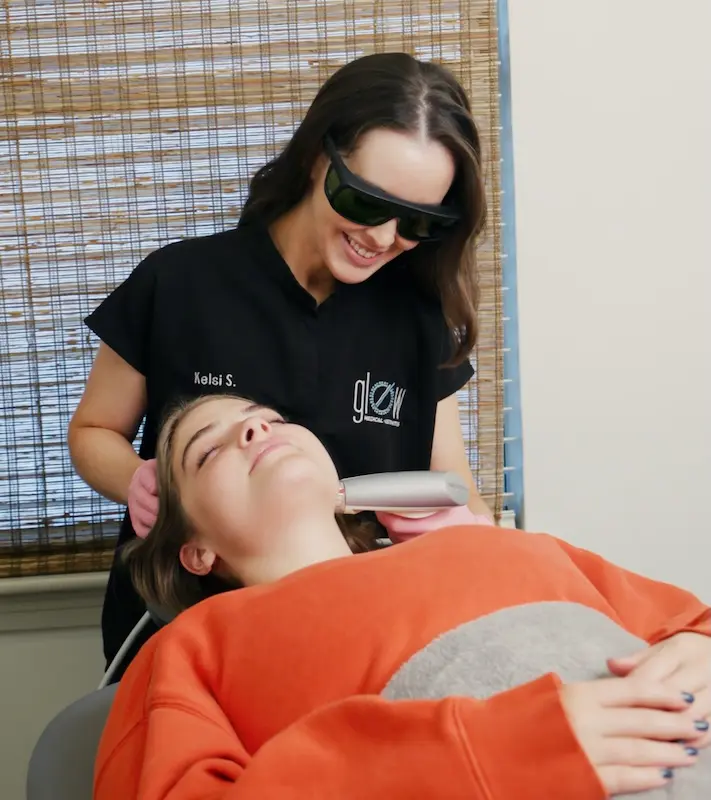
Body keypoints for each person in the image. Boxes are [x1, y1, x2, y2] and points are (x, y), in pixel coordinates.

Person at [67, 52, 496, 676]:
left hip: (352, 648)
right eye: (367, 201)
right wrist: (135, 476)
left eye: (419, 222)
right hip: (183, 647)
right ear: (319, 158)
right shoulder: (182, 282)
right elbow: (93, 432)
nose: (384, 237)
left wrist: (466, 533)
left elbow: (452, 484)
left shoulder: (417, 318)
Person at [94, 394, 711, 800]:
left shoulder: (512, 547)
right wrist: (479, 759)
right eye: (208, 449)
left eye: (271, 419)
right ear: (196, 550)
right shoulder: (189, 651)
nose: (256, 426)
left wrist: (697, 650)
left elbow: (692, 623)